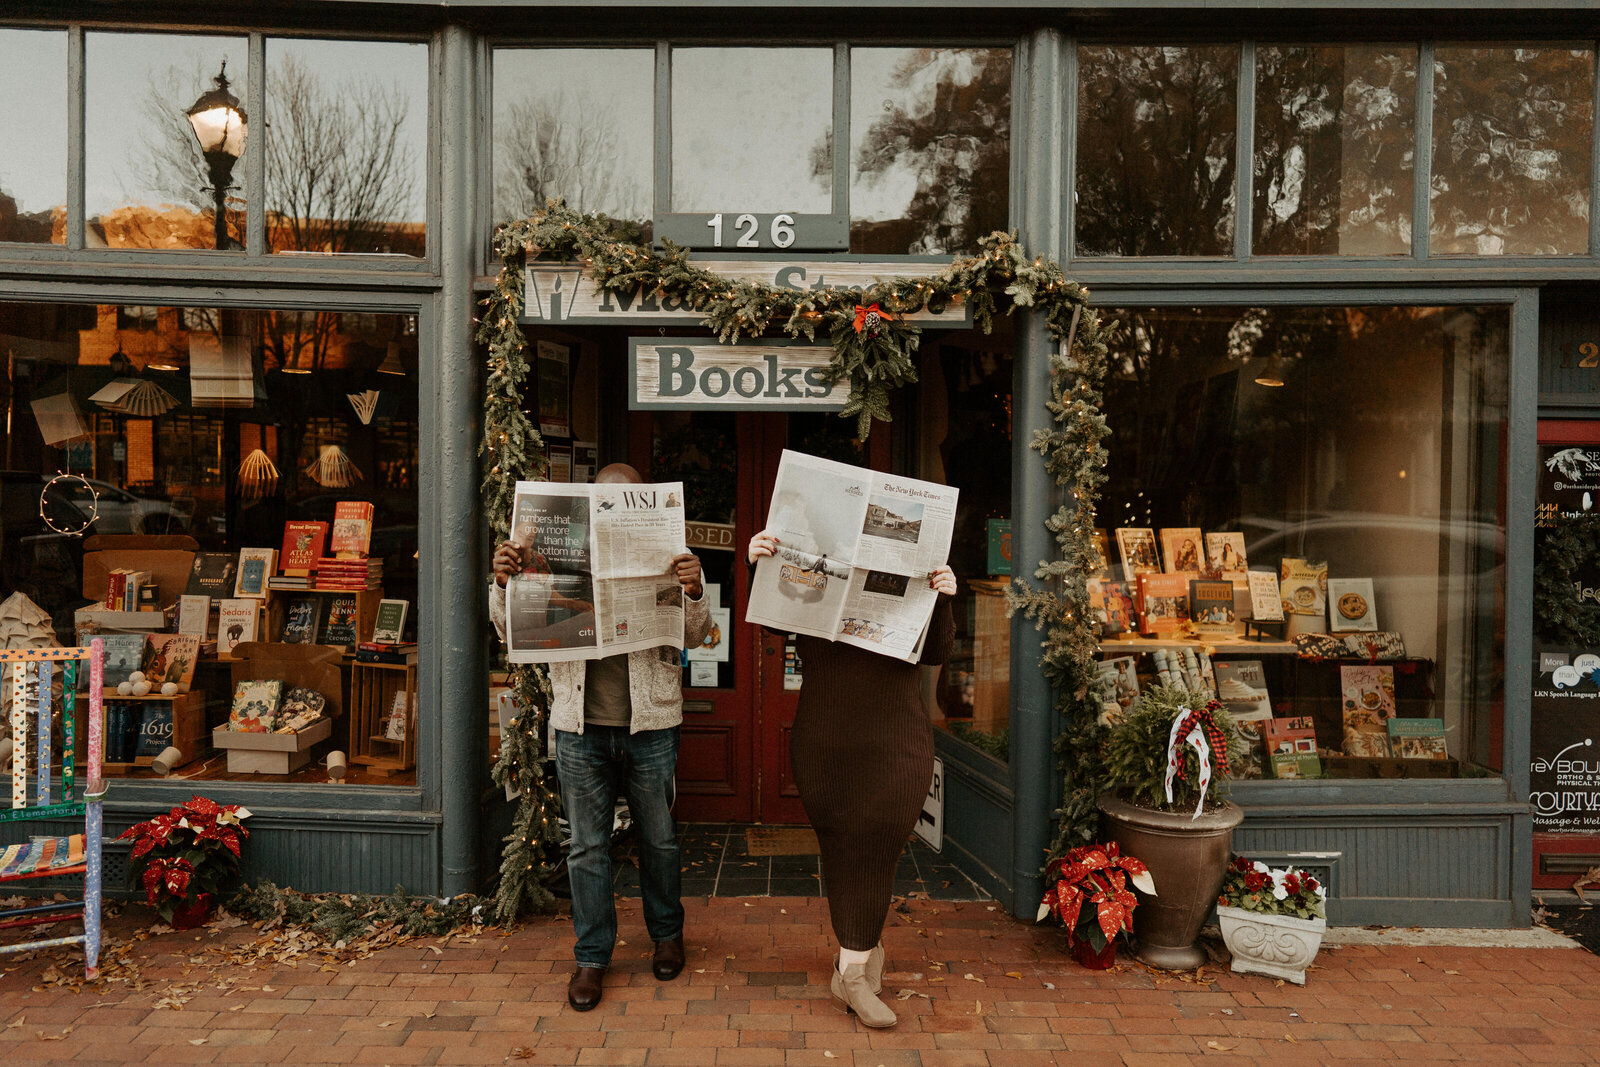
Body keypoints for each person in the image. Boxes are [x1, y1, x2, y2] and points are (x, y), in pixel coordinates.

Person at [491, 463, 711, 1012]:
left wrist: (695, 588)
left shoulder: (671, 556)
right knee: (586, 847)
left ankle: (667, 935)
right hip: (578, 726)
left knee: (658, 840)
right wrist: (503, 583)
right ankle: (592, 957)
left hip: (651, 724)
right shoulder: (554, 548)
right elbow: (507, 629)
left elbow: (696, 635)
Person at [747, 527, 957, 1029]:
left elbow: (936, 652)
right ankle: (856, 963)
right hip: (828, 738)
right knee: (844, 845)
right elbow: (771, 623)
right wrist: (760, 565)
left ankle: (854, 969)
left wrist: (944, 595)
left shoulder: (917, 566)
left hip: (898, 738)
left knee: (878, 842)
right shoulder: (817, 564)